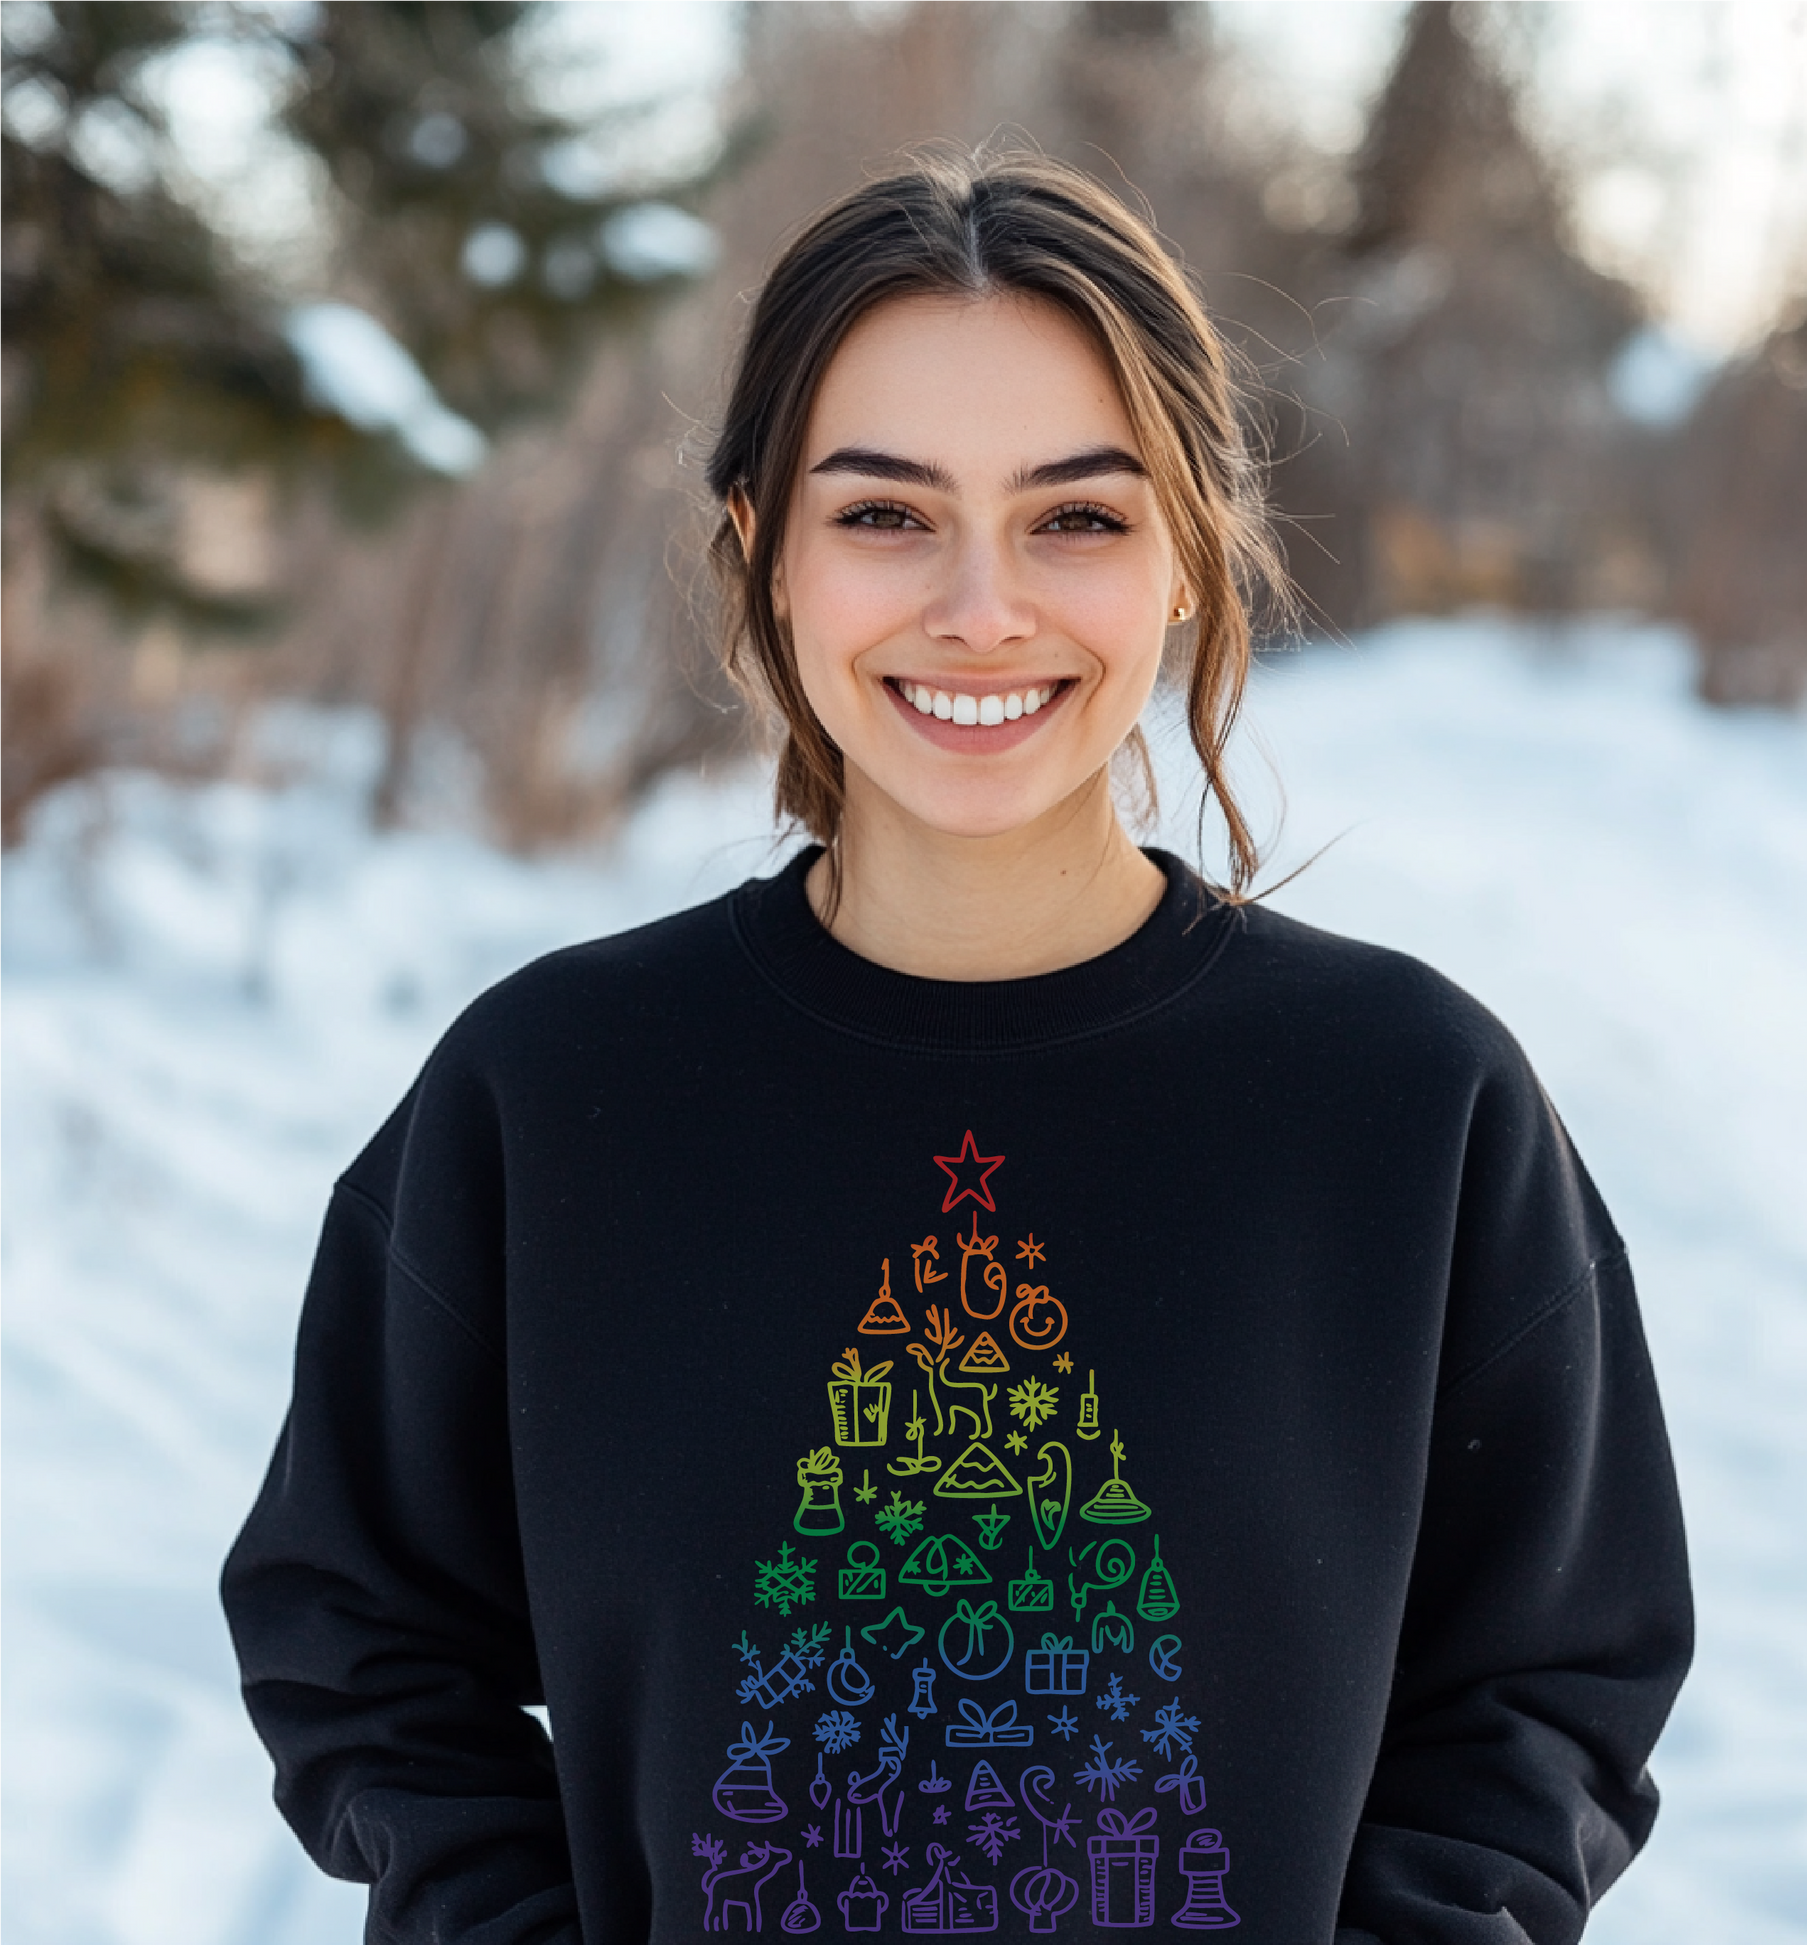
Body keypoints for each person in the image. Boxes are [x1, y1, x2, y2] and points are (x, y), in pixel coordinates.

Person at [223, 150, 1691, 1944]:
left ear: (1182, 560)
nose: (979, 607)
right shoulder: (549, 1095)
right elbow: (350, 1626)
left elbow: (1554, 1676)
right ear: (762, 551)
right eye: (884, 514)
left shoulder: (1405, 1102)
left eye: (1075, 517)